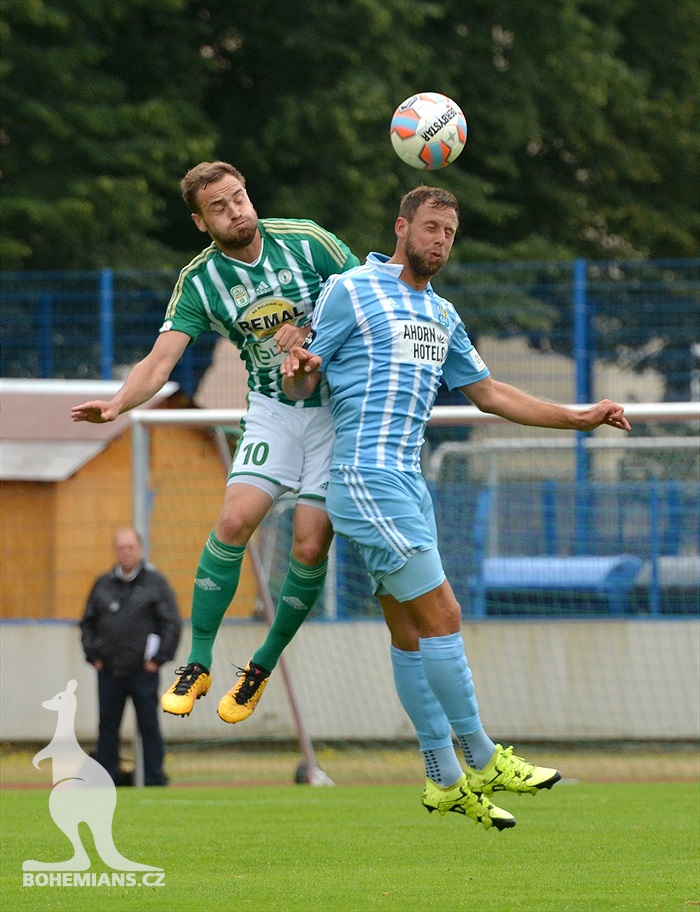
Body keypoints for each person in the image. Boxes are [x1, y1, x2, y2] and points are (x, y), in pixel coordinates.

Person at [280, 185, 632, 831]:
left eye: (450, 232)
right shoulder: (351, 288)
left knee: (410, 630)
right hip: (363, 476)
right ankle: (483, 756)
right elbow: (305, 374)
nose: (440, 240)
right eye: (431, 227)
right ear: (402, 226)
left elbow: (490, 392)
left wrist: (577, 418)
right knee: (445, 612)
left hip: (408, 484)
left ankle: (443, 779)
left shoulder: (442, 314)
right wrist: (296, 365)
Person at [72, 162, 361, 722]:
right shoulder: (200, 280)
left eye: (239, 198)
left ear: (249, 195)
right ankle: (199, 662)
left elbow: (371, 300)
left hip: (335, 413)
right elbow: (160, 362)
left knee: (307, 544)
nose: (236, 211)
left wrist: (314, 336)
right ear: (201, 222)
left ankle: (260, 666)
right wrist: (117, 404)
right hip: (274, 413)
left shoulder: (308, 241)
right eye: (220, 208)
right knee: (232, 523)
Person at [79, 527, 181, 786]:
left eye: (131, 547)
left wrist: (158, 659)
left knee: (148, 725)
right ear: (115, 551)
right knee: (107, 727)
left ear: (140, 550)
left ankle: (153, 778)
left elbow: (171, 623)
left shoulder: (155, 583)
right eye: (121, 547)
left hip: (142, 671)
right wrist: (93, 655)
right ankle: (104, 780)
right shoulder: (102, 584)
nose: (126, 552)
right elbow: (87, 622)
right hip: (109, 670)